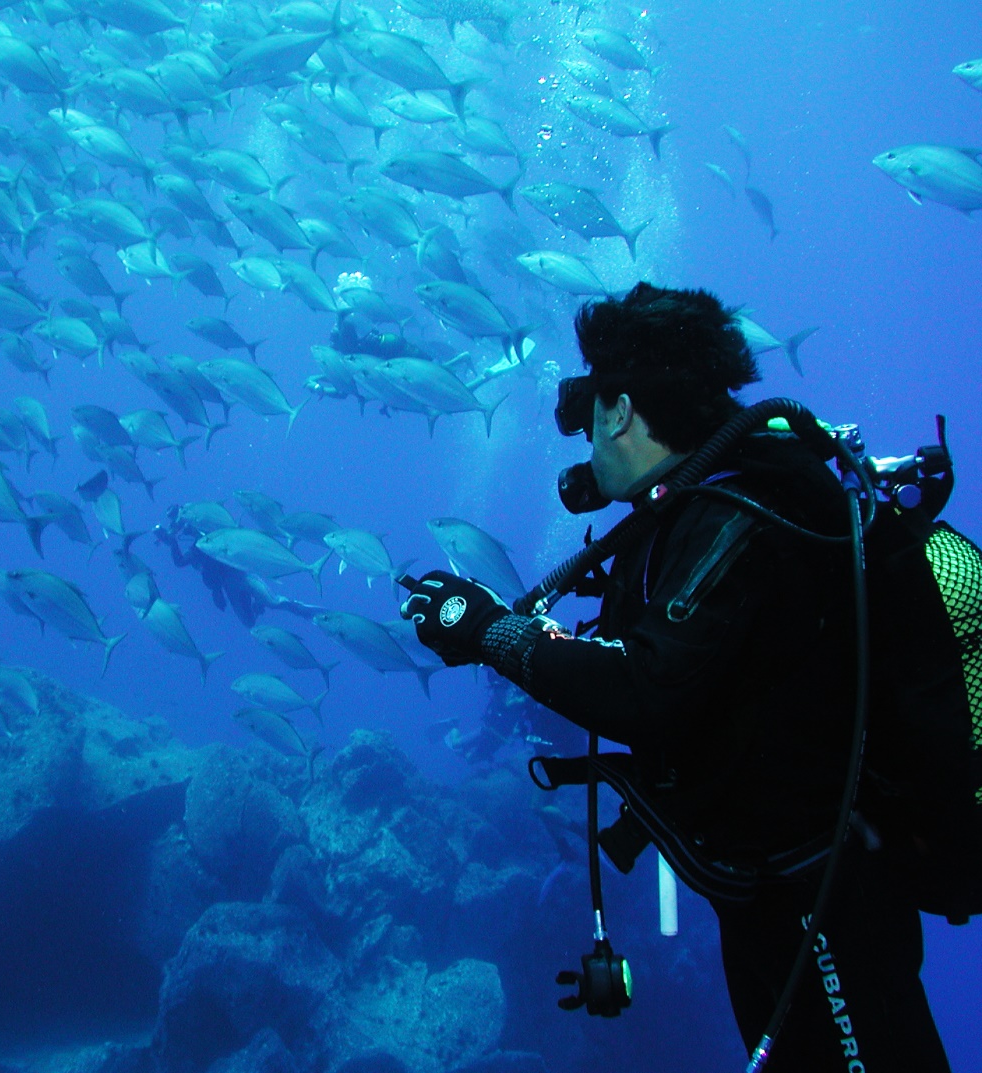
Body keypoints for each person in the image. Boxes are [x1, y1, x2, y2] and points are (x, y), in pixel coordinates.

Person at [401, 283, 951, 1072]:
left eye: (591, 413)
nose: (586, 442)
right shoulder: (702, 510)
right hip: (762, 891)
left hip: (816, 899)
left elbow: (642, 691)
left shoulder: (737, 518)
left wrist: (488, 631)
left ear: (621, 410)